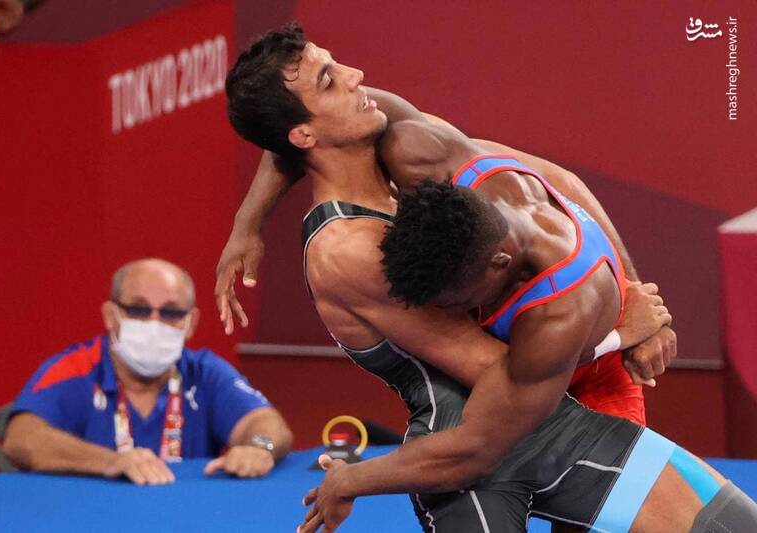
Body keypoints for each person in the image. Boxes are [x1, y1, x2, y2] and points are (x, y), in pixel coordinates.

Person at [222, 24, 681, 532]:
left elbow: (559, 185)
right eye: (331, 80)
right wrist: (621, 330)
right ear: (304, 135)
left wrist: (631, 293)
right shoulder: (350, 249)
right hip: (473, 431)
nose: (357, 77)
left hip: (565, 371)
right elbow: (502, 371)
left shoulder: (400, 136)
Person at [3, 258, 292, 485]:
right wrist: (111, 461)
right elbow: (21, 439)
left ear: (190, 323)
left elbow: (267, 422)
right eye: (139, 310)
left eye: (171, 312)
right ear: (111, 316)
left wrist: (258, 447)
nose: (154, 323)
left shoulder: (204, 372)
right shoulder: (76, 369)